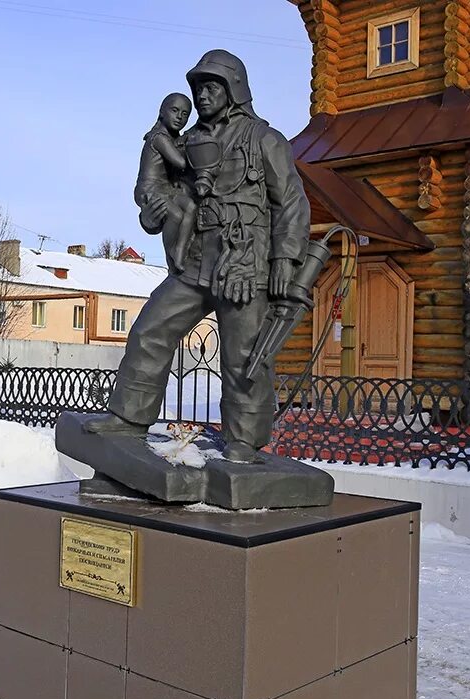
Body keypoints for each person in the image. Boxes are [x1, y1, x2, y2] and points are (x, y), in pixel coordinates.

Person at [86, 50, 310, 463]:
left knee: (245, 357)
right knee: (150, 330)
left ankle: (244, 442)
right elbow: (162, 192)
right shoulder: (185, 141)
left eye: (211, 87)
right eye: (198, 88)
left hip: (244, 264)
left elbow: (292, 204)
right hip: (194, 261)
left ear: (233, 89)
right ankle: (129, 418)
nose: (203, 96)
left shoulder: (264, 139)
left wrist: (284, 262)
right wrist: (153, 210)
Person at [134, 93, 196, 272]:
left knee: (191, 207)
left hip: (166, 189)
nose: (180, 117)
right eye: (175, 111)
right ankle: (171, 256)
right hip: (150, 189)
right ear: (162, 112)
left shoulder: (172, 138)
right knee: (175, 215)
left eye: (185, 114)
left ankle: (180, 251)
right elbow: (181, 162)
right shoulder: (159, 137)